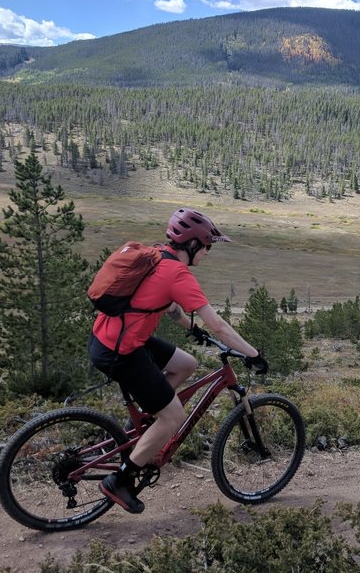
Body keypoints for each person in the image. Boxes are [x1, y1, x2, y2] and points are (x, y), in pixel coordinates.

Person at [88, 207, 268, 514]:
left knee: (187, 364)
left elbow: (169, 307)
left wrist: (191, 328)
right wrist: (253, 354)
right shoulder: (179, 274)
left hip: (112, 337)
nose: (208, 253)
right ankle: (121, 480)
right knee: (173, 416)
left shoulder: (158, 256)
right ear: (193, 245)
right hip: (120, 351)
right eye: (208, 246)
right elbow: (220, 326)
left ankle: (142, 428)